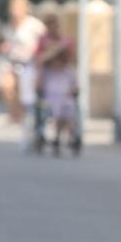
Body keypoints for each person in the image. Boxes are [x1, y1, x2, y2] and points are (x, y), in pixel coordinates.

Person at [0, 0, 46, 129]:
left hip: (30, 62)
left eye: (18, 8)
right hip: (13, 61)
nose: (15, 11)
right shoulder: (9, 26)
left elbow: (44, 42)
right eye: (13, 8)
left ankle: (25, 114)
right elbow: (5, 41)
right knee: (6, 85)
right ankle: (15, 112)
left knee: (26, 91)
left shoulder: (34, 25)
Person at [34, 15, 78, 155]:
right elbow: (39, 62)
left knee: (69, 109)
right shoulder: (48, 70)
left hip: (65, 98)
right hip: (51, 97)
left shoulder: (67, 71)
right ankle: (54, 136)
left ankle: (70, 136)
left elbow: (74, 82)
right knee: (54, 110)